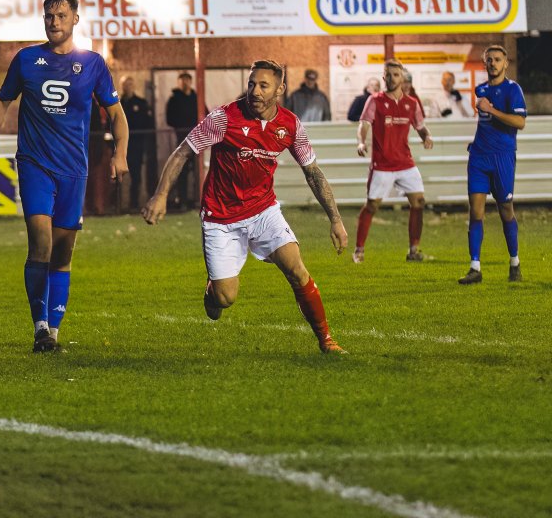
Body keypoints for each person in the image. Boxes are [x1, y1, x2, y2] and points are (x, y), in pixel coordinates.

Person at [142, 60, 348, 355]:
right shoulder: (224, 119)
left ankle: (326, 340)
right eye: (252, 84)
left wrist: (336, 220)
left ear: (280, 89)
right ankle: (213, 290)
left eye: (263, 85)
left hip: (263, 211)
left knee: (296, 269)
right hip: (221, 218)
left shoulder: (290, 125)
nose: (255, 91)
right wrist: (160, 195)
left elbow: (313, 173)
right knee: (224, 301)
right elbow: (183, 152)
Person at [0, 0, 129, 353]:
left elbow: (116, 114)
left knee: (62, 252)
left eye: (60, 16)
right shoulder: (27, 59)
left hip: (73, 170)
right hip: (34, 163)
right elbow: (1, 103)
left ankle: (53, 330)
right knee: (40, 241)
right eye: (48, 16)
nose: (54, 22)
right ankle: (40, 327)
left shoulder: (92, 64)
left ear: (75, 19)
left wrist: (121, 154)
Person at [353, 61, 434, 264]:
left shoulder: (411, 103)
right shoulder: (375, 101)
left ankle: (414, 250)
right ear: (384, 78)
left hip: (405, 163)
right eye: (388, 75)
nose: (391, 78)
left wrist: (426, 137)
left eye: (396, 75)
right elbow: (363, 124)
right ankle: (359, 250)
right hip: (382, 165)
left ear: (402, 78)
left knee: (419, 202)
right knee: (372, 206)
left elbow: (421, 126)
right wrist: (361, 142)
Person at [460, 46, 527, 285]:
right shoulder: (481, 89)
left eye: (498, 60)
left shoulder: (513, 90)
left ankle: (514, 262)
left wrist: (492, 110)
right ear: (484, 63)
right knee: (475, 212)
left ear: (505, 63)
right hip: (479, 157)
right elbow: (484, 119)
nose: (493, 63)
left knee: (505, 211)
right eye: (489, 60)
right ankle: (475, 267)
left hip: (502, 158)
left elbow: (520, 122)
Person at [164, 72, 199, 209]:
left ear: (191, 82)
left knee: (198, 171)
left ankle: (198, 199)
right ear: (178, 82)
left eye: (187, 80)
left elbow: (205, 114)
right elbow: (169, 119)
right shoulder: (174, 99)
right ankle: (183, 199)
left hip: (197, 140)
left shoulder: (196, 98)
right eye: (182, 80)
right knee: (181, 170)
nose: (184, 83)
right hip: (181, 140)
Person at [119, 76, 151, 210]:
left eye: (131, 84)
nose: (129, 86)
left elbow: (145, 123)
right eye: (126, 84)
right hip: (120, 146)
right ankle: (118, 204)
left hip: (136, 145)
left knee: (136, 175)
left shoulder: (141, 103)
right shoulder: (117, 103)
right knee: (118, 176)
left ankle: (134, 203)